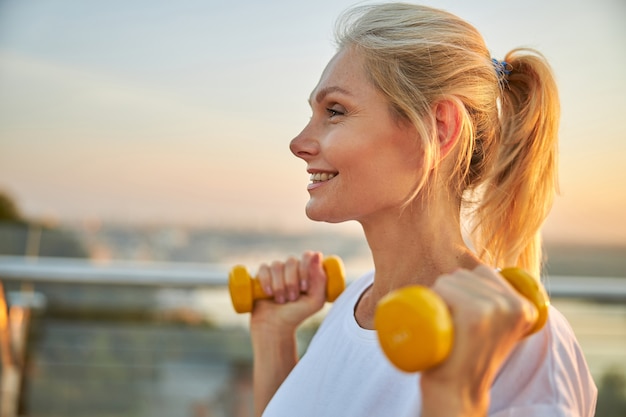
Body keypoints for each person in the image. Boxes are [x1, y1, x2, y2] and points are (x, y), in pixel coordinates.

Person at [249, 3, 597, 416]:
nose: (299, 143)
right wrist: (273, 337)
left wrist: (453, 395)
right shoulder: (350, 307)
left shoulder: (522, 339)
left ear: (439, 128)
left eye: (335, 112)